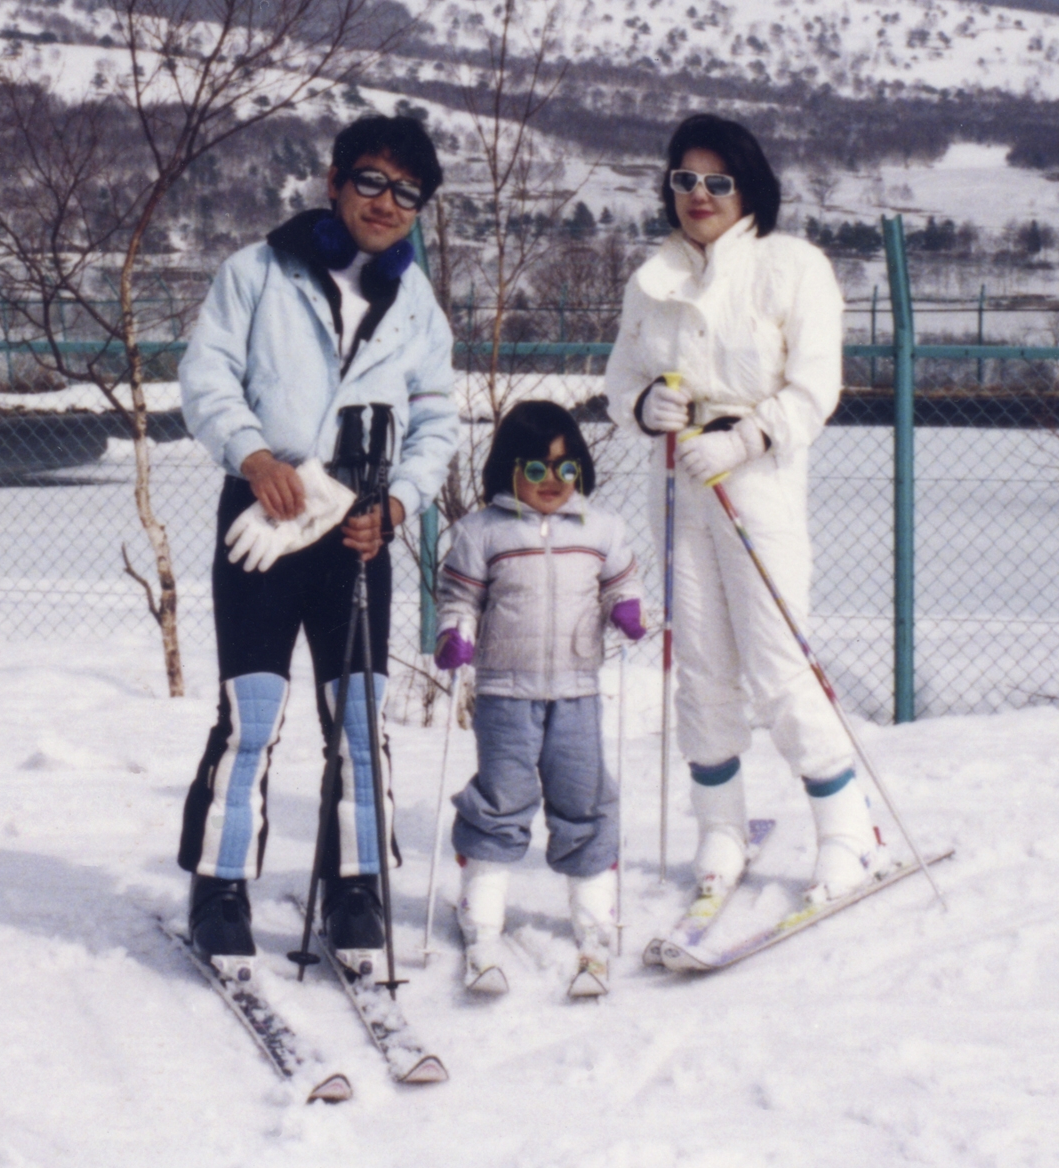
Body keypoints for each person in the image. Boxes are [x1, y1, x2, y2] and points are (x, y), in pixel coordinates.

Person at [175, 115, 459, 972]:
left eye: (407, 193)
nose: (386, 203)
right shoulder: (258, 272)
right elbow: (207, 374)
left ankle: (356, 880)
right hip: (263, 512)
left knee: (359, 718)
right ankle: (220, 884)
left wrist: (400, 505)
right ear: (336, 179)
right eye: (371, 181)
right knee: (252, 711)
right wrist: (253, 453)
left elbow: (437, 418)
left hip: (357, 529)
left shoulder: (415, 301)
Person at [604, 113, 886, 925]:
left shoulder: (789, 265)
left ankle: (845, 827)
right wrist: (642, 406)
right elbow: (621, 372)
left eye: (717, 181)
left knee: (775, 657)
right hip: (681, 486)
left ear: (747, 188)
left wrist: (751, 435)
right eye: (684, 180)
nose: (698, 195)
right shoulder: (653, 276)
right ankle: (720, 829)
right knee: (699, 661)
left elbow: (814, 386)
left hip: (756, 482)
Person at [433, 401, 646, 994]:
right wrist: (456, 633)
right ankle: (482, 910)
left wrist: (626, 609)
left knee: (583, 794)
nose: (553, 482)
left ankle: (594, 915)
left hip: (577, 690)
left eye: (566, 469)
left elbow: (622, 580)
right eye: (536, 469)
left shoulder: (602, 531)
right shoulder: (482, 532)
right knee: (504, 795)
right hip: (504, 690)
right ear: (508, 470)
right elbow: (459, 597)